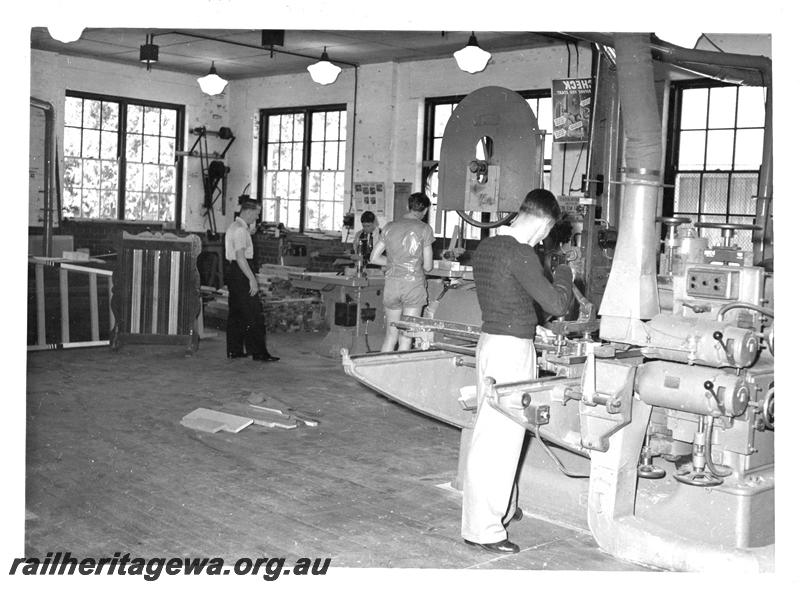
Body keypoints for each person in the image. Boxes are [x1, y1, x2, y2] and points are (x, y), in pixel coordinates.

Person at [461, 188, 573, 554]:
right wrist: (565, 273)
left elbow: (506, 297)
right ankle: (485, 530)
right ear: (543, 221)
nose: (545, 238)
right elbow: (557, 303)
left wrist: (529, 324)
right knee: (502, 440)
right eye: (547, 231)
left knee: (490, 432)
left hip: (491, 342)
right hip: (511, 352)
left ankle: (500, 509)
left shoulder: (489, 246)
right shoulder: (522, 253)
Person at [370, 192, 434, 352]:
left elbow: (374, 258)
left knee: (390, 335)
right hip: (413, 287)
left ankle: (382, 373)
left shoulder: (389, 227)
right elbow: (427, 266)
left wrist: (393, 262)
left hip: (392, 285)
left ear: (408, 206)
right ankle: (400, 375)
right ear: (425, 211)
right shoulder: (425, 229)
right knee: (406, 337)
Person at [224, 199, 279, 362]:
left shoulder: (234, 227)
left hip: (233, 272)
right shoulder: (241, 231)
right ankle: (259, 353)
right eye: (256, 213)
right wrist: (252, 279)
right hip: (241, 271)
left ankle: (234, 350)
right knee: (254, 313)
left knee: (237, 313)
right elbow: (241, 258)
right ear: (248, 212)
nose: (257, 216)